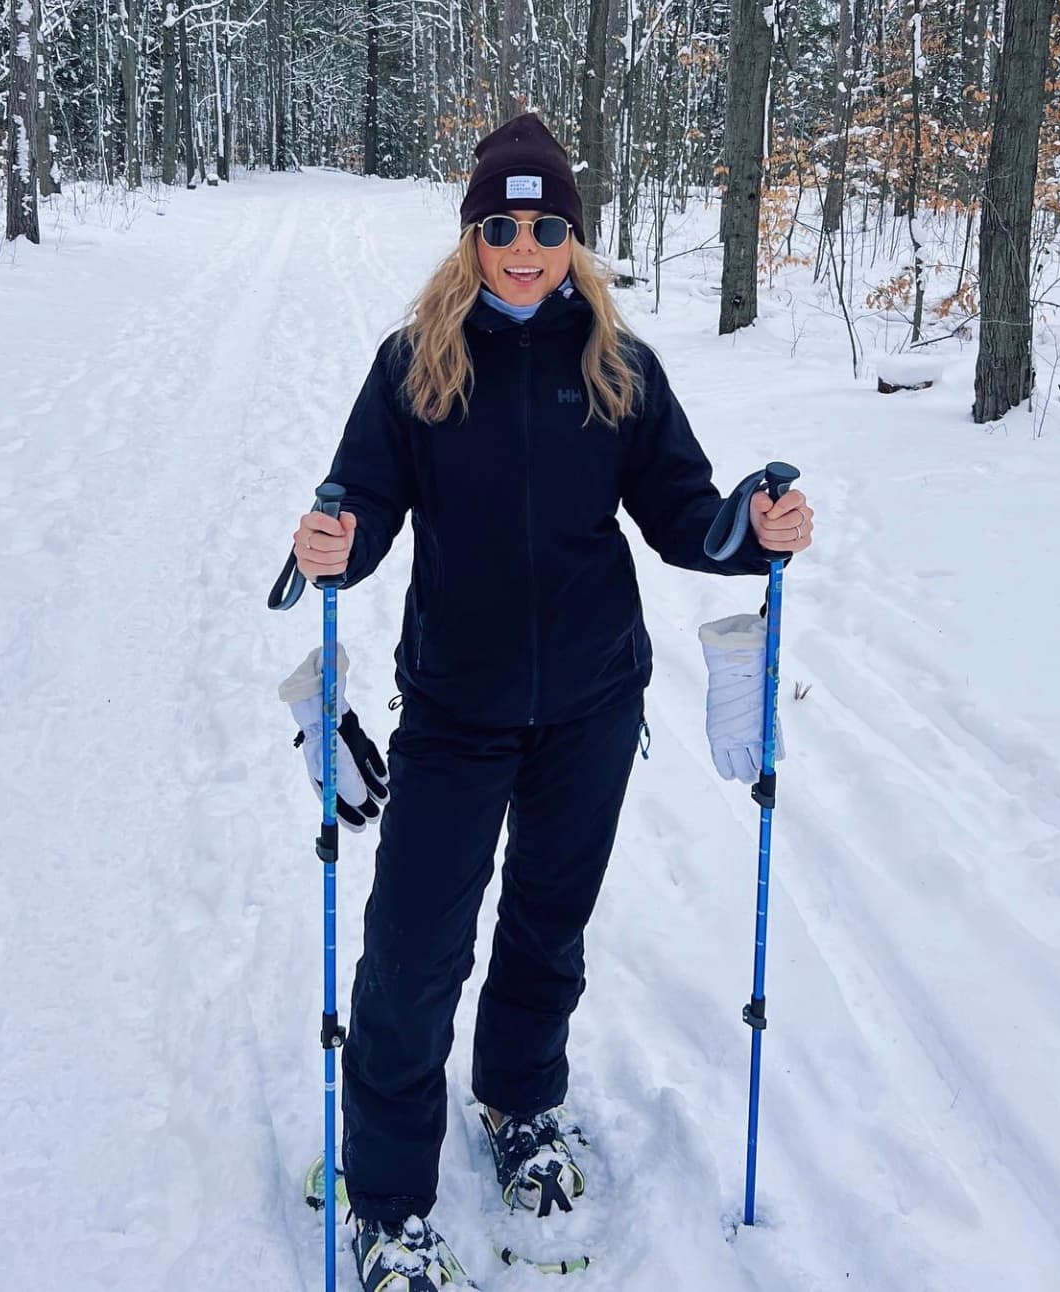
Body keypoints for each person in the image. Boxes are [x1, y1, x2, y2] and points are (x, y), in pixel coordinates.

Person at [292, 113, 815, 1292]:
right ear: (470, 235)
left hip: (589, 699)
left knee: (545, 923)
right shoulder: (413, 364)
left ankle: (518, 1103)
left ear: (572, 236)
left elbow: (684, 515)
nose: (522, 247)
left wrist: (752, 525)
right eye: (499, 226)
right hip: (455, 706)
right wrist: (335, 537)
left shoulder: (619, 367)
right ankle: (388, 1200)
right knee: (413, 951)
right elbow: (364, 506)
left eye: (544, 226)